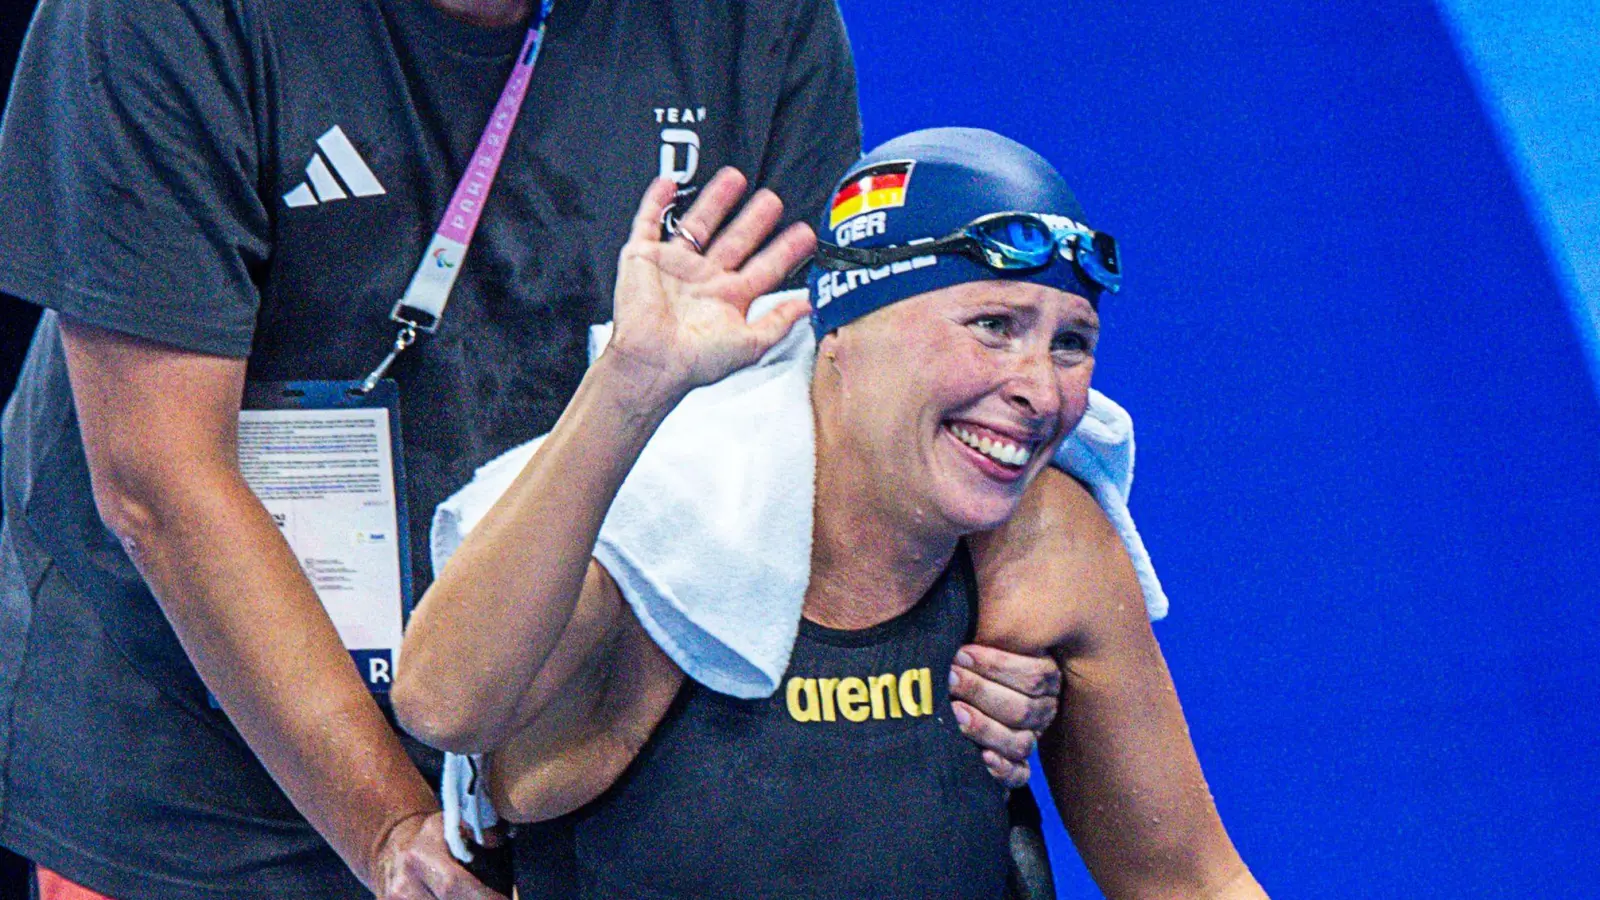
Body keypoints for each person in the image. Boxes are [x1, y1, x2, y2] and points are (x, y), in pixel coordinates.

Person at [395, 129, 1270, 898]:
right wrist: (631, 383)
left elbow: (1188, 878)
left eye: (1071, 343)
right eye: (993, 325)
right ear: (847, 327)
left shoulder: (1044, 540)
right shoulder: (668, 539)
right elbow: (442, 704)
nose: (1039, 391)